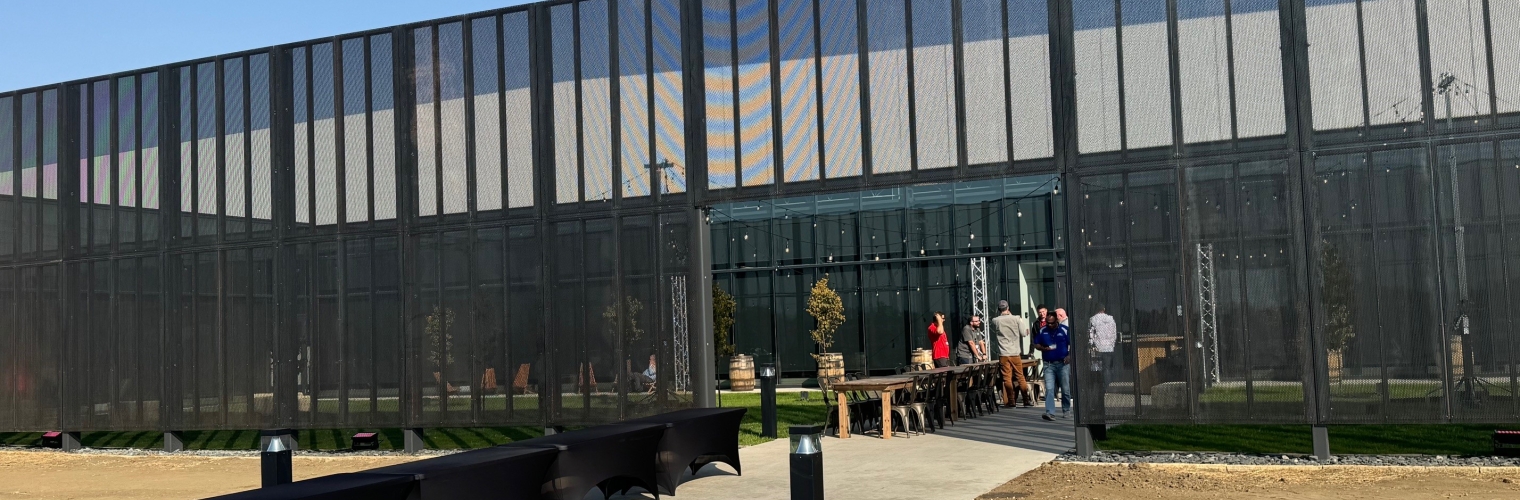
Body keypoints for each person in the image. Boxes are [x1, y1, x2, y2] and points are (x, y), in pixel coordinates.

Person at [992, 300, 1034, 407]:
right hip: (1015, 352)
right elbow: (1024, 333)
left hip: (1003, 353)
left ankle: (1011, 401)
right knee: (1020, 376)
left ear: (999, 309)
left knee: (1007, 378)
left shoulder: (995, 320)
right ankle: (1026, 400)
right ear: (1008, 307)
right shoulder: (1016, 318)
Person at [1032, 310, 1072, 421]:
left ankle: (1066, 409)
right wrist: (1042, 348)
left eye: (1052, 323)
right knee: (1049, 388)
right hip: (1048, 364)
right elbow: (1036, 343)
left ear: (1057, 321)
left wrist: (1069, 356)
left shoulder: (1064, 330)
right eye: (1048, 323)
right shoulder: (1042, 330)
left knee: (1065, 388)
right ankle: (1050, 412)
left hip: (1062, 363)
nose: (1050, 325)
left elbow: (1072, 343)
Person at [1087, 304, 1117, 421]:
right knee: (1108, 368)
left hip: (1098, 347)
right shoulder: (1111, 319)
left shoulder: (1093, 319)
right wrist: (1112, 343)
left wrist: (1091, 344)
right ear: (1104, 309)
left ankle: (1101, 386)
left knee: (1099, 368)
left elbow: (1090, 334)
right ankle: (1108, 385)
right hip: (1109, 347)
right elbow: (1114, 333)